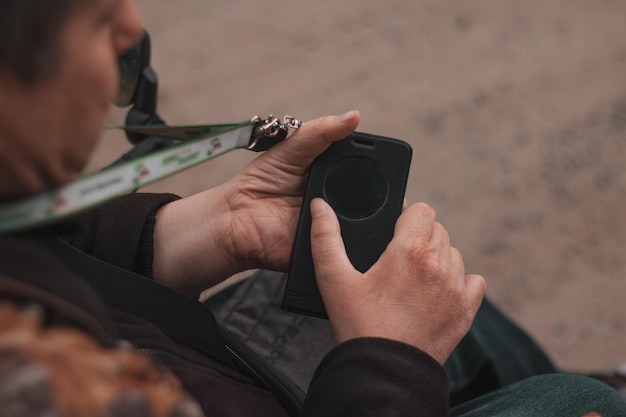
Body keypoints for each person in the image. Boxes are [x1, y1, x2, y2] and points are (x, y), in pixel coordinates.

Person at [0, 0, 624, 416]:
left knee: (396, 285)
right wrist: (388, 363)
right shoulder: (40, 389)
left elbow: (39, 259)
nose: (132, 26)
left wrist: (212, 228)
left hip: (194, 364)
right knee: (566, 400)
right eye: (92, 17)